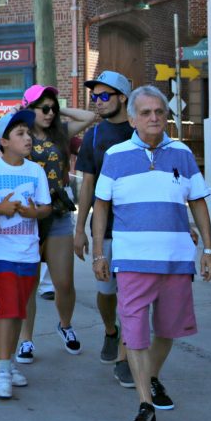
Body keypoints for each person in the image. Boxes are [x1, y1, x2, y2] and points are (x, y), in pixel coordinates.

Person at [92, 85, 211, 421]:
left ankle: (153, 376)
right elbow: (101, 204)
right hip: (131, 261)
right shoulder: (115, 155)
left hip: (176, 260)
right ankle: (145, 405)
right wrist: (99, 251)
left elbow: (199, 203)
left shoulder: (182, 153)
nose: (154, 118)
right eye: (145, 113)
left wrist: (208, 249)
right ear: (131, 118)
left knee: (168, 330)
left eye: (159, 112)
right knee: (134, 333)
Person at [0, 109, 52, 400]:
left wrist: (34, 212)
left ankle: (9, 364)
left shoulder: (35, 171)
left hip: (29, 251)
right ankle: (2, 371)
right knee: (7, 306)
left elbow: (45, 207)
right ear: (3, 141)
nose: (28, 137)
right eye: (20, 133)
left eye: (28, 133)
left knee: (19, 308)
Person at [15, 84, 95, 365]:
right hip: (27, 217)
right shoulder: (18, 133)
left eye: (52, 108)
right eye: (43, 108)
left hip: (59, 213)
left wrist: (61, 110)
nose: (49, 114)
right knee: (28, 282)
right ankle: (26, 339)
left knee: (63, 282)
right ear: (29, 109)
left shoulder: (61, 132)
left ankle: (65, 324)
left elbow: (89, 117)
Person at [74, 71, 135, 387]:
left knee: (132, 296)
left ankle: (126, 357)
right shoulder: (94, 137)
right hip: (105, 228)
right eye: (94, 97)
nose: (97, 102)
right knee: (107, 293)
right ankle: (111, 330)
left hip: (139, 229)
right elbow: (87, 184)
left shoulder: (142, 131)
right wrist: (80, 228)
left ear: (122, 97)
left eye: (104, 96)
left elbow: (170, 175)